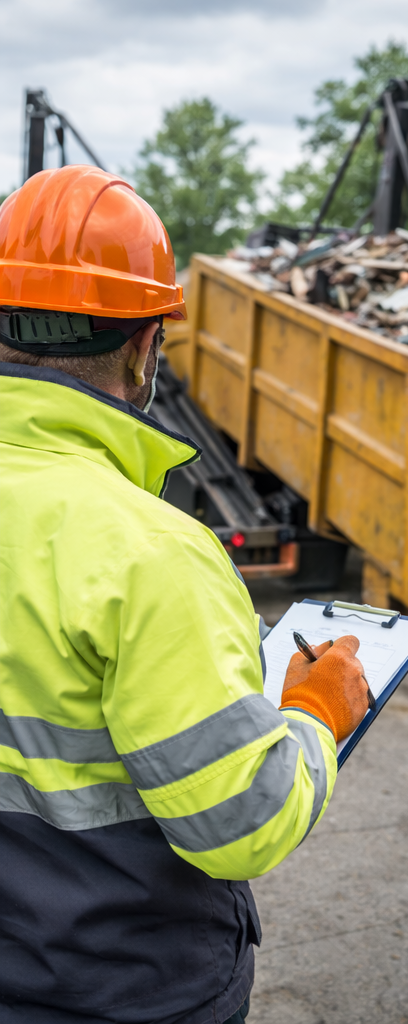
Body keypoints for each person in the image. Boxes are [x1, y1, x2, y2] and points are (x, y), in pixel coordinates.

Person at [0, 166, 370, 1024]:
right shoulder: (153, 554)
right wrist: (315, 716)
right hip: (118, 989)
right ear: (143, 349)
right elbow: (241, 823)